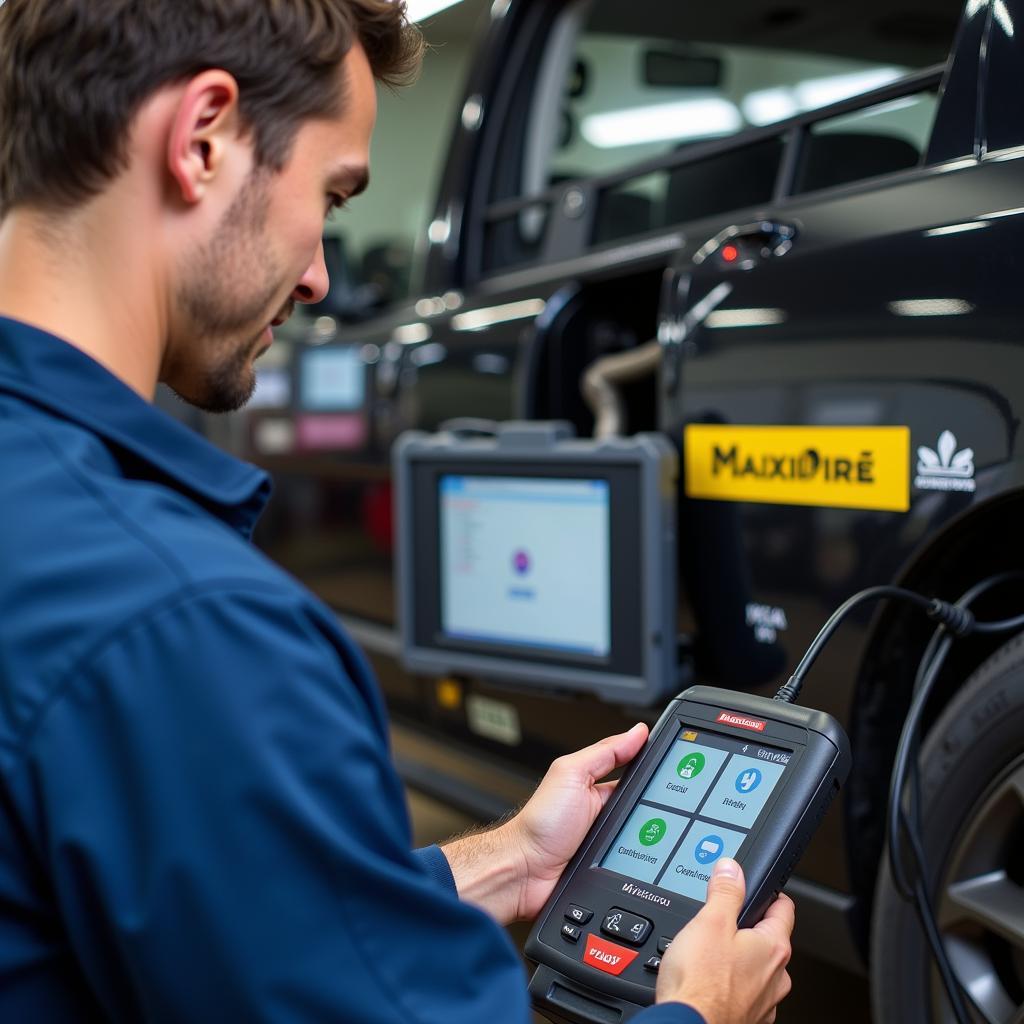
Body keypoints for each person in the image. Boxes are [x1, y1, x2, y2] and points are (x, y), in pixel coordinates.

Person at [0, 2, 794, 1021]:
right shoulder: (184, 625)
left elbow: (221, 910)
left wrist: (505, 860)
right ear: (201, 139)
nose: (325, 274)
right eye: (329, 197)